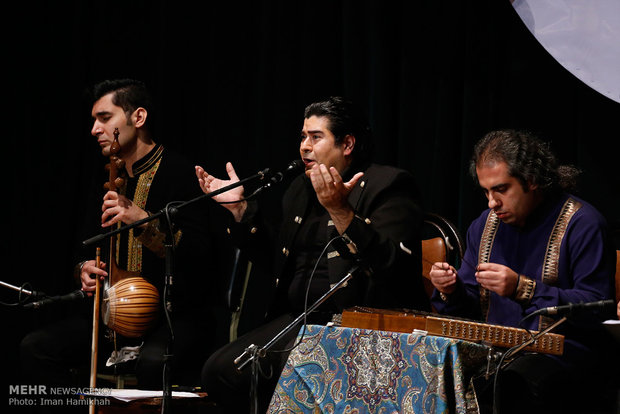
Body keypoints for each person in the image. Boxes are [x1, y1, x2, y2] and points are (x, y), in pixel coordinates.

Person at [195, 96, 430, 412]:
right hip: (300, 319)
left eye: (316, 137)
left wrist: (340, 209)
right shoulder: (299, 190)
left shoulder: (388, 184)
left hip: (358, 322)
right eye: (303, 137)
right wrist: (240, 210)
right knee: (219, 371)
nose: (304, 146)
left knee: (265, 374)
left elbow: (393, 266)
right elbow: (277, 262)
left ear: (347, 144)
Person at [20, 79, 228, 398]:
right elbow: (84, 249)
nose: (94, 129)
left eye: (104, 118)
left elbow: (202, 256)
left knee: (152, 364)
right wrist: (83, 269)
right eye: (94, 120)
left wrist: (142, 220)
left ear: (138, 118)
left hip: (174, 316)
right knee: (36, 348)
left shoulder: (181, 174)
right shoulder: (107, 178)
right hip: (113, 319)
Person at [429, 129, 616, 414]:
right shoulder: (485, 225)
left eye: (501, 190)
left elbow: (596, 308)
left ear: (532, 181)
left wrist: (523, 288)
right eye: (486, 191)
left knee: (509, 384)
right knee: (434, 370)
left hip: (564, 357)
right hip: (497, 351)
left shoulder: (583, 223)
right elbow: (469, 307)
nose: (492, 203)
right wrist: (450, 289)